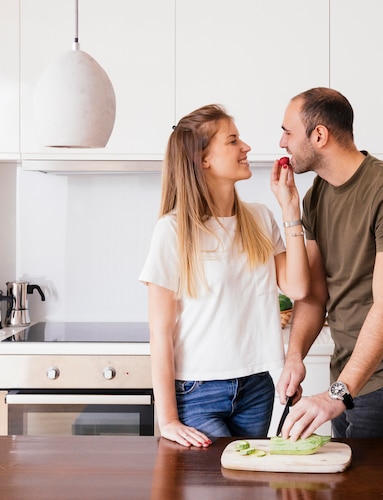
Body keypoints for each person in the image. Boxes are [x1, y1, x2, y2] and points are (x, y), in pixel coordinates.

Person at [139, 104, 310, 447]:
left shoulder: (261, 218)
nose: (246, 147)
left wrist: (290, 210)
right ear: (203, 159)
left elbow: (298, 286)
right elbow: (160, 334)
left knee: (245, 487)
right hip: (197, 391)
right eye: (233, 140)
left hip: (256, 387)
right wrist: (168, 420)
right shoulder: (172, 231)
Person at [276, 87, 383, 440]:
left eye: (288, 132)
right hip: (348, 373)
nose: (281, 143)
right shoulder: (316, 197)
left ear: (319, 135)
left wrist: (339, 393)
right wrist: (294, 357)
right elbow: (315, 296)